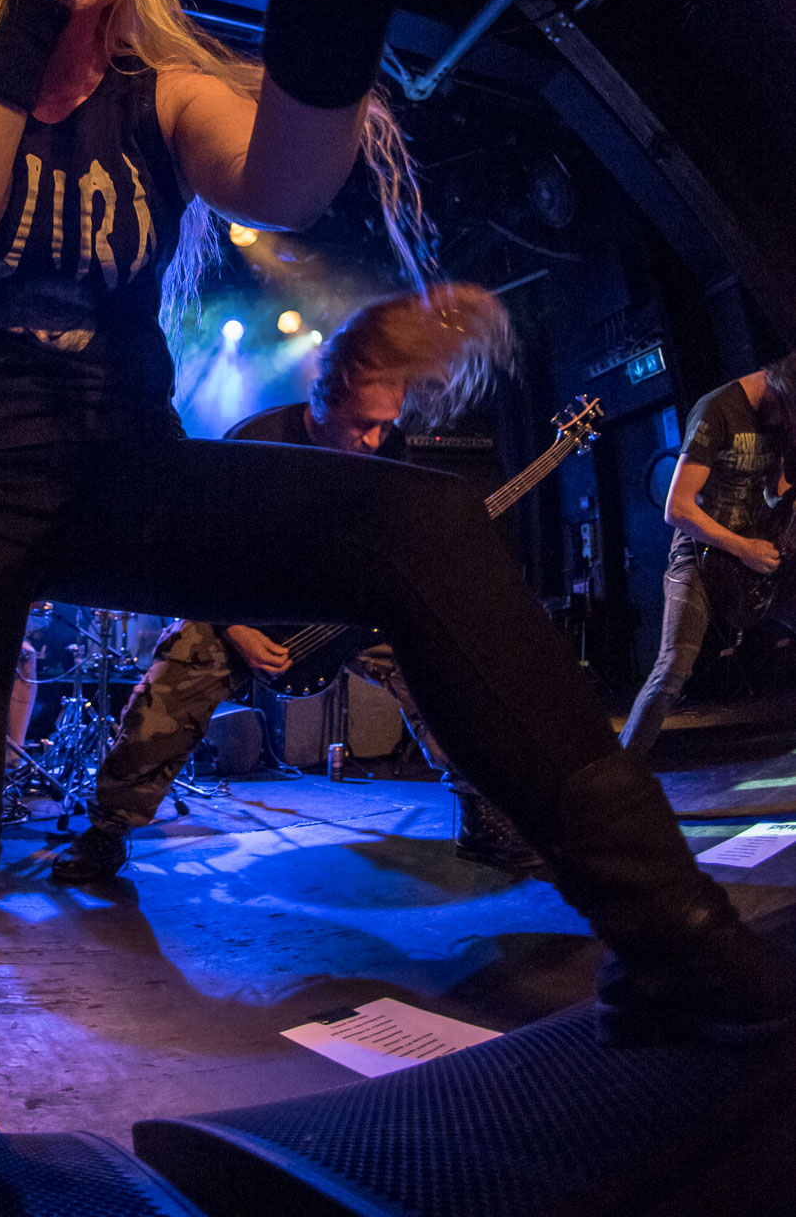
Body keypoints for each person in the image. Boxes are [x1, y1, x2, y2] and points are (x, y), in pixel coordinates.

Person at [0, 0, 793, 1133]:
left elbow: (286, 181)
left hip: (116, 470)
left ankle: (675, 941)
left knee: (418, 526)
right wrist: (21, 31)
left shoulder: (159, 94)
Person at [50, 287, 541, 884]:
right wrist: (235, 627)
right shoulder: (255, 442)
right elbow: (196, 552)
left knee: (444, 676)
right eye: (361, 425)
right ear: (323, 401)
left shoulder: (391, 449)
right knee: (169, 692)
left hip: (346, 605)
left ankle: (482, 814)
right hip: (242, 603)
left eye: (385, 426)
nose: (374, 441)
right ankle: (106, 830)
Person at [622, 354, 795, 754]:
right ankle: (620, 769)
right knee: (672, 669)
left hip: (755, 553)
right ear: (778, 390)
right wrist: (742, 547)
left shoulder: (781, 414)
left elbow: (773, 492)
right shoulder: (717, 410)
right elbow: (677, 508)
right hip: (702, 552)